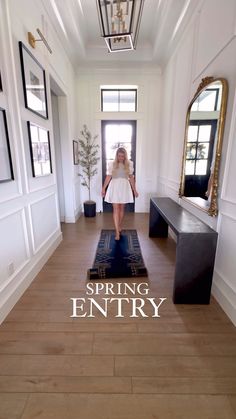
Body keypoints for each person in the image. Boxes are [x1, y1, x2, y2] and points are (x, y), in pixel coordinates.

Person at [101, 147, 138, 240]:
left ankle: (119, 225)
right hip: (114, 187)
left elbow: (131, 178)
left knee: (122, 208)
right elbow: (108, 177)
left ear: (125, 156)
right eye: (119, 156)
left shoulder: (129, 164)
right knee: (116, 209)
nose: (121, 157)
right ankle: (117, 231)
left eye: (123, 156)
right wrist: (103, 188)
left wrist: (134, 190)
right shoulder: (112, 164)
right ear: (117, 156)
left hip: (125, 187)